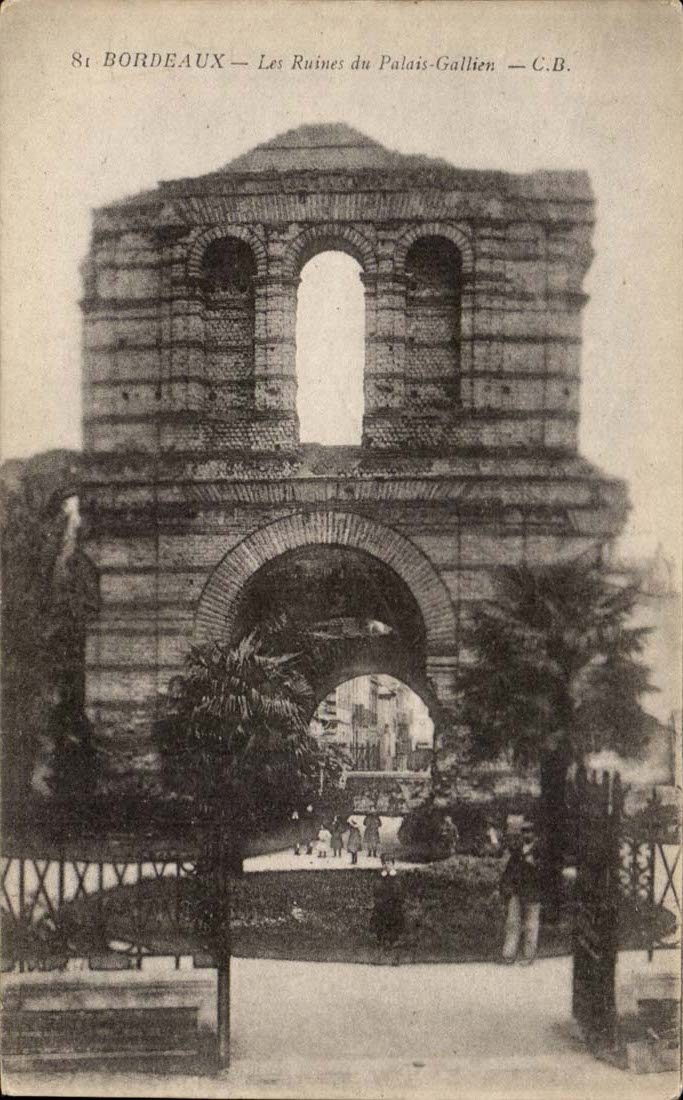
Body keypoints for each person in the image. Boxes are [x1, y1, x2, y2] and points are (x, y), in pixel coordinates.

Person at [499, 820, 544, 965]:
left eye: (529, 831)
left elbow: (548, 872)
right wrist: (507, 888)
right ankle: (508, 955)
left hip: (533, 892)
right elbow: (509, 871)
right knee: (512, 923)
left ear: (535, 834)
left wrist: (535, 865)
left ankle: (528, 955)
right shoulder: (517, 850)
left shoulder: (540, 850)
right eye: (524, 831)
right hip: (517, 891)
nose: (526, 834)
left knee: (531, 925)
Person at [371, 868, 405, 950]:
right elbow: (376, 889)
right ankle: (382, 940)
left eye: (390, 863)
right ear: (383, 865)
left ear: (393, 865)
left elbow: (400, 890)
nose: (387, 865)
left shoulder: (396, 876)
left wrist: (397, 900)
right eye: (385, 863)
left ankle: (393, 941)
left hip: (394, 904)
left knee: (394, 920)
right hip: (382, 903)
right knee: (381, 920)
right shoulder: (380, 876)